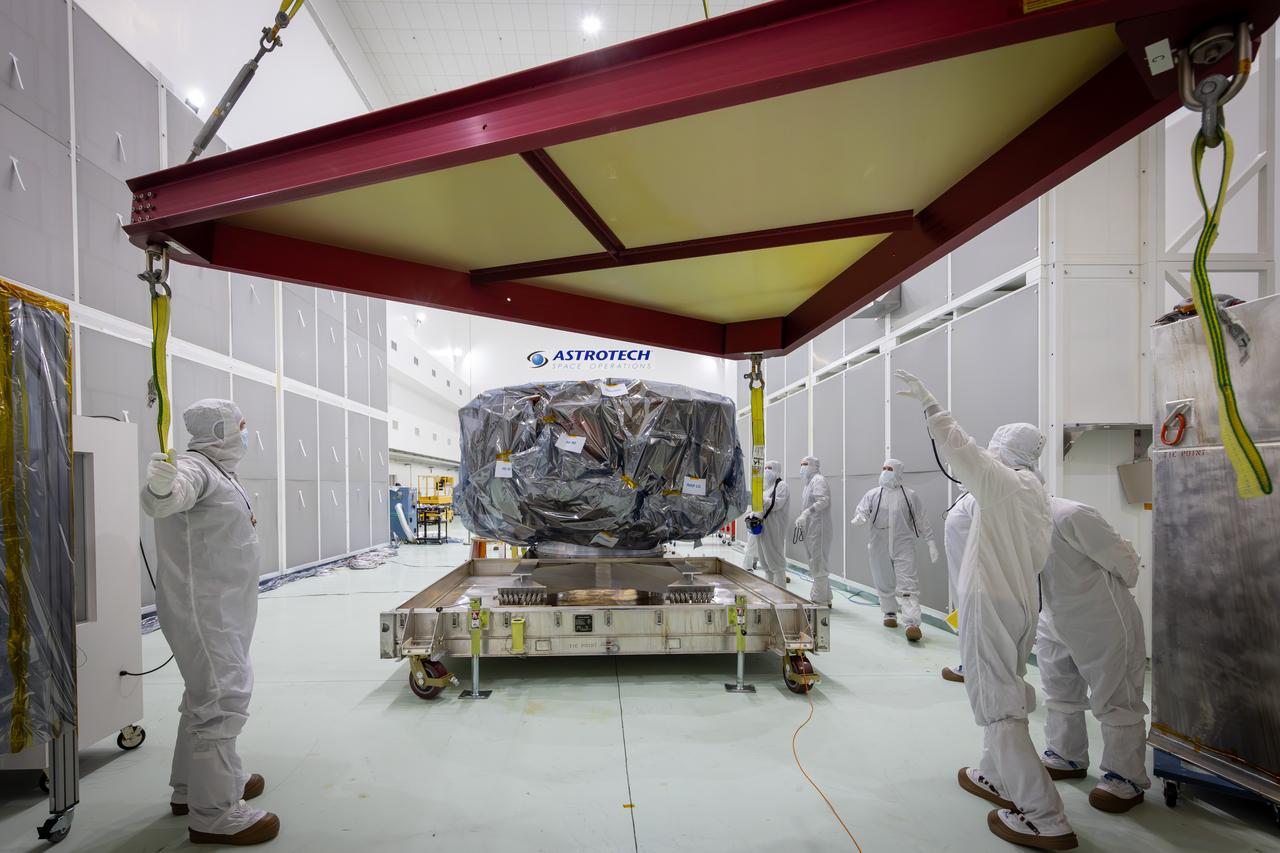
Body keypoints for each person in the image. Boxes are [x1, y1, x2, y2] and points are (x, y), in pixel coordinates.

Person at [894, 369, 1076, 851]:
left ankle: (1044, 816)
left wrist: (931, 406)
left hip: (990, 604)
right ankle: (994, 775)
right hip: (1020, 603)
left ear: (1004, 450)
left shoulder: (1003, 484)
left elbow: (961, 450)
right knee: (1007, 691)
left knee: (998, 708)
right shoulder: (1035, 490)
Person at [141, 399, 279, 846]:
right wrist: (160, 488)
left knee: (203, 693)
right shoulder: (194, 466)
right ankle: (215, 814)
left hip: (222, 608)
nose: (245, 432)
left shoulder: (221, 472)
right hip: (204, 609)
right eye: (240, 425)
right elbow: (166, 497)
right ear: (220, 430)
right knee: (222, 696)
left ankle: (190, 788)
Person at [1037, 497, 1150, 813]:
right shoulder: (1010, 516)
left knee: (1115, 694)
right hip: (1053, 616)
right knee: (1059, 690)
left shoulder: (1070, 514)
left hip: (1101, 616)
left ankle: (1124, 777)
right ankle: (1065, 754)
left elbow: (1126, 563)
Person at [852, 458, 938, 642]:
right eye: (883, 468)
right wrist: (859, 518)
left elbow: (921, 519)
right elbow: (863, 510)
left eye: (889, 468)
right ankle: (889, 613)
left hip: (903, 544)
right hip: (878, 545)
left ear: (898, 472)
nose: (885, 471)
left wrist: (930, 541)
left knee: (908, 583)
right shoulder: (873, 494)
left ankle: (912, 623)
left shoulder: (909, 495)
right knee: (883, 580)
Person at [942, 490, 976, 682]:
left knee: (973, 615)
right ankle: (970, 663)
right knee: (965, 613)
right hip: (963, 571)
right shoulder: (967, 495)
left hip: (975, 574)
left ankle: (972, 667)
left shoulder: (978, 497)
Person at [794, 455, 832, 606]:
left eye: (805, 464)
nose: (802, 467)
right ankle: (826, 597)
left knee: (818, 562)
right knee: (815, 561)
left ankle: (819, 601)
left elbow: (823, 500)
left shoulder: (818, 480)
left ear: (814, 466)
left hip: (819, 527)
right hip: (811, 527)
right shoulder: (809, 483)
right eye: (801, 464)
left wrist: (806, 513)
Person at [748, 460, 791, 587]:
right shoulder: (765, 487)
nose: (766, 471)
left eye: (770, 468)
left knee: (775, 560)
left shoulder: (782, 485)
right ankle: (769, 592)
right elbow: (759, 504)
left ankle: (780, 594)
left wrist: (760, 499)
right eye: (765, 468)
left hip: (775, 527)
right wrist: (752, 513)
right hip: (763, 528)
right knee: (765, 560)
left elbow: (776, 504)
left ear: (777, 470)